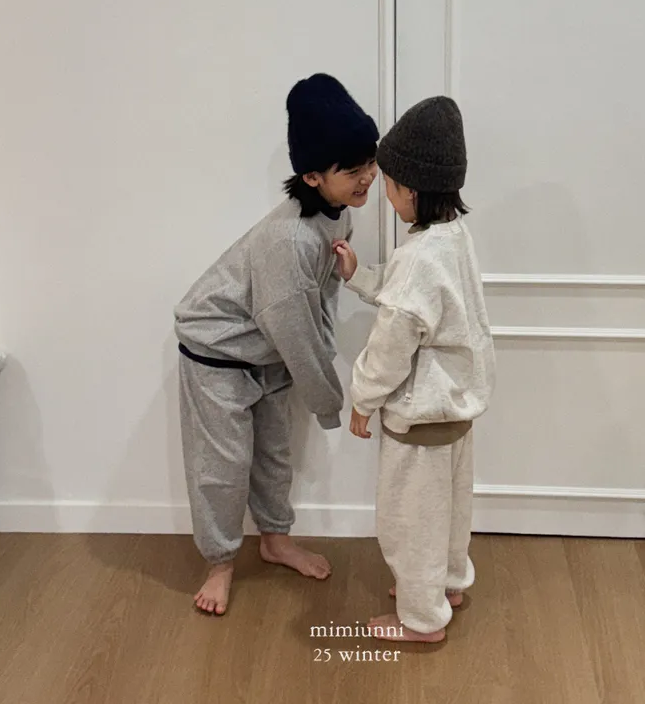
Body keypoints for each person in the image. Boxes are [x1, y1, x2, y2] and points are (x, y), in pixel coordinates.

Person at [175, 74, 378, 615]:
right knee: (221, 466)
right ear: (312, 176)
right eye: (352, 169)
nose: (368, 176)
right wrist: (329, 400)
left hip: (266, 349)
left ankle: (274, 540)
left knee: (274, 452)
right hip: (218, 350)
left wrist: (321, 356)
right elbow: (293, 327)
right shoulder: (288, 239)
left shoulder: (340, 214)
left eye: (370, 161)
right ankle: (220, 563)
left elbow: (321, 299)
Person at [334, 96, 494, 643]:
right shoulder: (452, 240)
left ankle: (422, 618)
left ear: (413, 191)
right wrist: (361, 276)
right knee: (449, 511)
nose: (384, 191)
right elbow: (416, 297)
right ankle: (447, 584)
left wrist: (363, 398)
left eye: (389, 183)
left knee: (410, 522)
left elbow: (392, 343)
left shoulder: (419, 258)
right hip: (456, 411)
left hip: (420, 417)